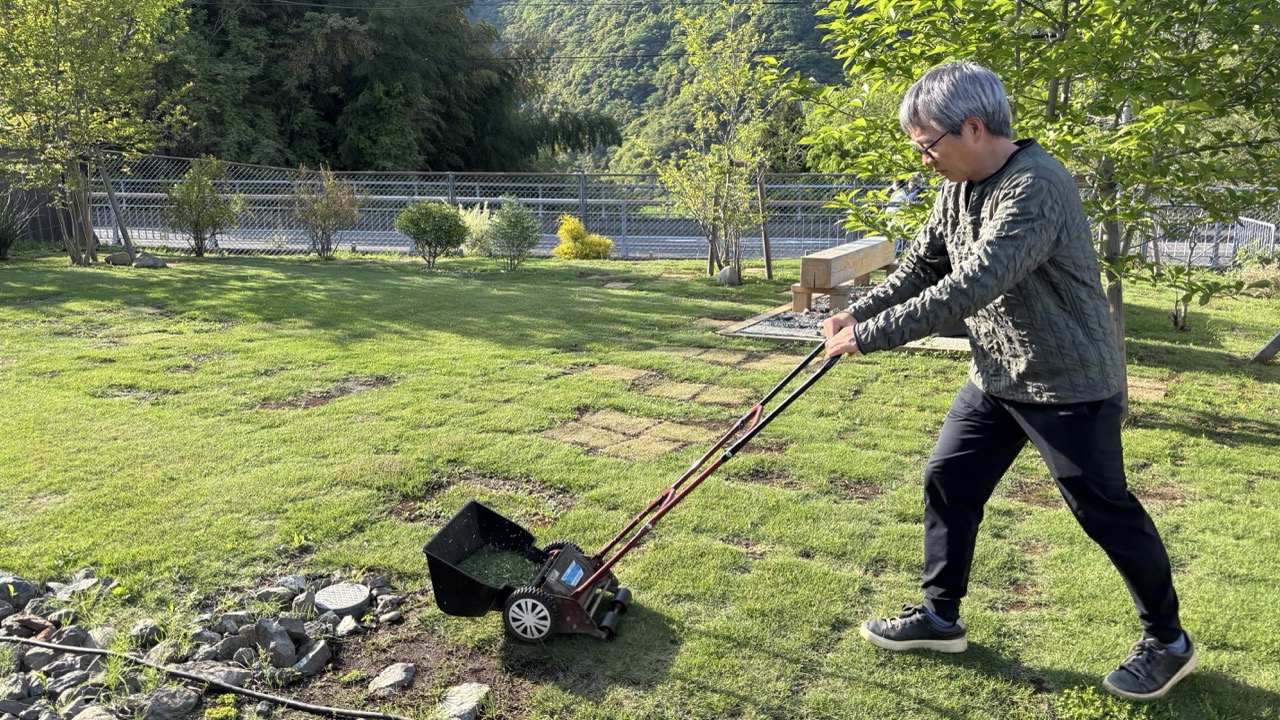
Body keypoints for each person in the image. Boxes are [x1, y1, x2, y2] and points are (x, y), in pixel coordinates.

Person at [822, 61, 1195, 701]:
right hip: (997, 374)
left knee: (1103, 511)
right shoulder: (959, 184)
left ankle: (1169, 642)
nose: (924, 160)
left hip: (1068, 383)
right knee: (949, 477)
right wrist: (858, 311)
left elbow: (972, 285)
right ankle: (940, 617)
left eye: (927, 145)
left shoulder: (1035, 187)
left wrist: (873, 336)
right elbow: (921, 266)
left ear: (972, 128)